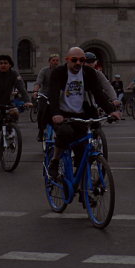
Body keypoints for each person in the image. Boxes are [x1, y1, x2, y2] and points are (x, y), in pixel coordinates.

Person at [43, 46, 120, 178]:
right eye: (74, 60)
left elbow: (98, 93)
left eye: (82, 60)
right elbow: (53, 94)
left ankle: (81, 187)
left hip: (81, 114)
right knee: (65, 133)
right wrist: (56, 113)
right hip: (62, 113)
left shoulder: (89, 73)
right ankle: (55, 161)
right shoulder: (59, 73)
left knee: (83, 151)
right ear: (67, 60)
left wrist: (112, 111)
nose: (78, 63)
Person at [0, 54, 31, 161]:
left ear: (10, 65)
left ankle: (11, 130)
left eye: (5, 63)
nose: (3, 65)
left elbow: (21, 88)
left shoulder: (14, 75)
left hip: (7, 102)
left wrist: (27, 101)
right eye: (1, 63)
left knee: (14, 112)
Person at [32, 53, 60, 140]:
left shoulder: (61, 71)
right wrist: (36, 91)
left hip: (57, 95)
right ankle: (41, 131)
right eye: (53, 60)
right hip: (45, 95)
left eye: (57, 61)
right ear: (49, 61)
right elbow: (38, 82)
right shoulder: (44, 71)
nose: (55, 62)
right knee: (42, 112)